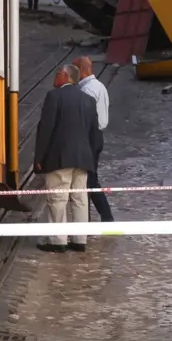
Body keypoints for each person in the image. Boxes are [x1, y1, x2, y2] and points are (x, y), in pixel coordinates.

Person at [34, 64, 102, 253]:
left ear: (65, 76)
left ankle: (58, 240)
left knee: (58, 198)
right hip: (83, 158)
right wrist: (91, 157)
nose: (54, 79)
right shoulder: (88, 100)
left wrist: (39, 157)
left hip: (59, 157)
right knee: (80, 198)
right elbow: (94, 133)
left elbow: (46, 129)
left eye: (56, 74)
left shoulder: (54, 97)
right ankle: (80, 239)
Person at [73, 56, 115, 223]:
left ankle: (105, 217)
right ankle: (95, 218)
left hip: (89, 137)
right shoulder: (98, 86)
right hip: (97, 136)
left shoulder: (86, 90)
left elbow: (83, 119)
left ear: (80, 70)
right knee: (89, 179)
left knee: (89, 180)